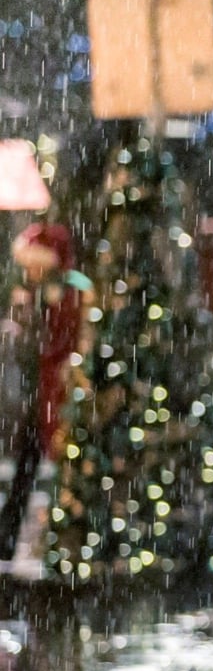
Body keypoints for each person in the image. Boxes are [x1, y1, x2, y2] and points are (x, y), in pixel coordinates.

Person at [0, 223, 91, 561]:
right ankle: (9, 538)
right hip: (39, 394)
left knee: (51, 464)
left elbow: (60, 341)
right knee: (28, 465)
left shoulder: (67, 289)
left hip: (57, 392)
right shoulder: (34, 291)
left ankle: (50, 539)